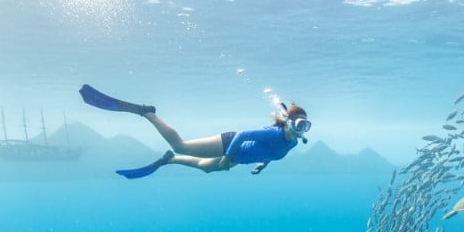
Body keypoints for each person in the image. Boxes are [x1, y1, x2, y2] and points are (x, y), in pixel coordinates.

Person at [78, 85, 310, 178]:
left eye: (305, 126)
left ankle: (170, 161)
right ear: (288, 122)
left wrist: (262, 164)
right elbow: (242, 135)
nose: (302, 129)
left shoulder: (292, 143)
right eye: (299, 123)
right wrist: (229, 156)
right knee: (181, 144)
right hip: (231, 145)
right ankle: (148, 113)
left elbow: (273, 152)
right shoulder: (274, 134)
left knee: (207, 170)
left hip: (239, 156)